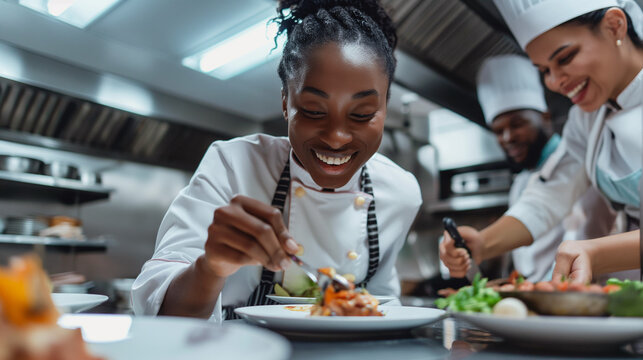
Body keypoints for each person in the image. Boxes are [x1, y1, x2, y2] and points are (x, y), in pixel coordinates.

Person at [132, 0, 421, 322]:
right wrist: (211, 267)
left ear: (386, 107)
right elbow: (161, 312)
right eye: (313, 110)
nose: (337, 137)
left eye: (362, 114)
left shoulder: (401, 192)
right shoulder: (233, 166)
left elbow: (382, 299)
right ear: (286, 102)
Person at [441, 0, 642, 284]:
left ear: (614, 26)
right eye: (544, 70)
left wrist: (595, 252)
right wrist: (482, 243)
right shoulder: (587, 121)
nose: (555, 82)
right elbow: (548, 197)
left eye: (565, 58)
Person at [475, 54, 616, 282]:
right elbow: (538, 210)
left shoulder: (585, 165)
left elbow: (578, 231)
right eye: (498, 131)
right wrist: (482, 243)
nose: (508, 137)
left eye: (518, 123)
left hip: (582, 293)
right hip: (540, 298)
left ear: (545, 117)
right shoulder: (522, 182)